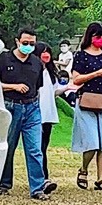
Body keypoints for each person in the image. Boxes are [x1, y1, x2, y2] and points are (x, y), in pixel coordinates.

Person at [0, 28, 57, 199]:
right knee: (8, 147)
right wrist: (13, 87)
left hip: (32, 108)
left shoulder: (37, 63)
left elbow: (38, 88)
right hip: (10, 106)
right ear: (17, 41)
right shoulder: (4, 59)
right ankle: (3, 183)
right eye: (25, 43)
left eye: (32, 44)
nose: (28, 46)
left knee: (35, 149)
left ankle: (37, 188)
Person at [69, 22, 102, 190]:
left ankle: (101, 179)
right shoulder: (81, 56)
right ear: (90, 37)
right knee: (92, 141)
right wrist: (96, 74)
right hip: (86, 101)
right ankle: (83, 169)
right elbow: (76, 79)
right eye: (98, 37)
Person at [35, 42, 60, 180]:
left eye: (48, 52)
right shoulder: (34, 71)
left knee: (43, 147)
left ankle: (44, 176)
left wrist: (69, 87)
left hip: (48, 115)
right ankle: (42, 177)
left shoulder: (50, 73)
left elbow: (54, 91)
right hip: (37, 115)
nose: (46, 55)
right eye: (43, 52)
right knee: (38, 148)